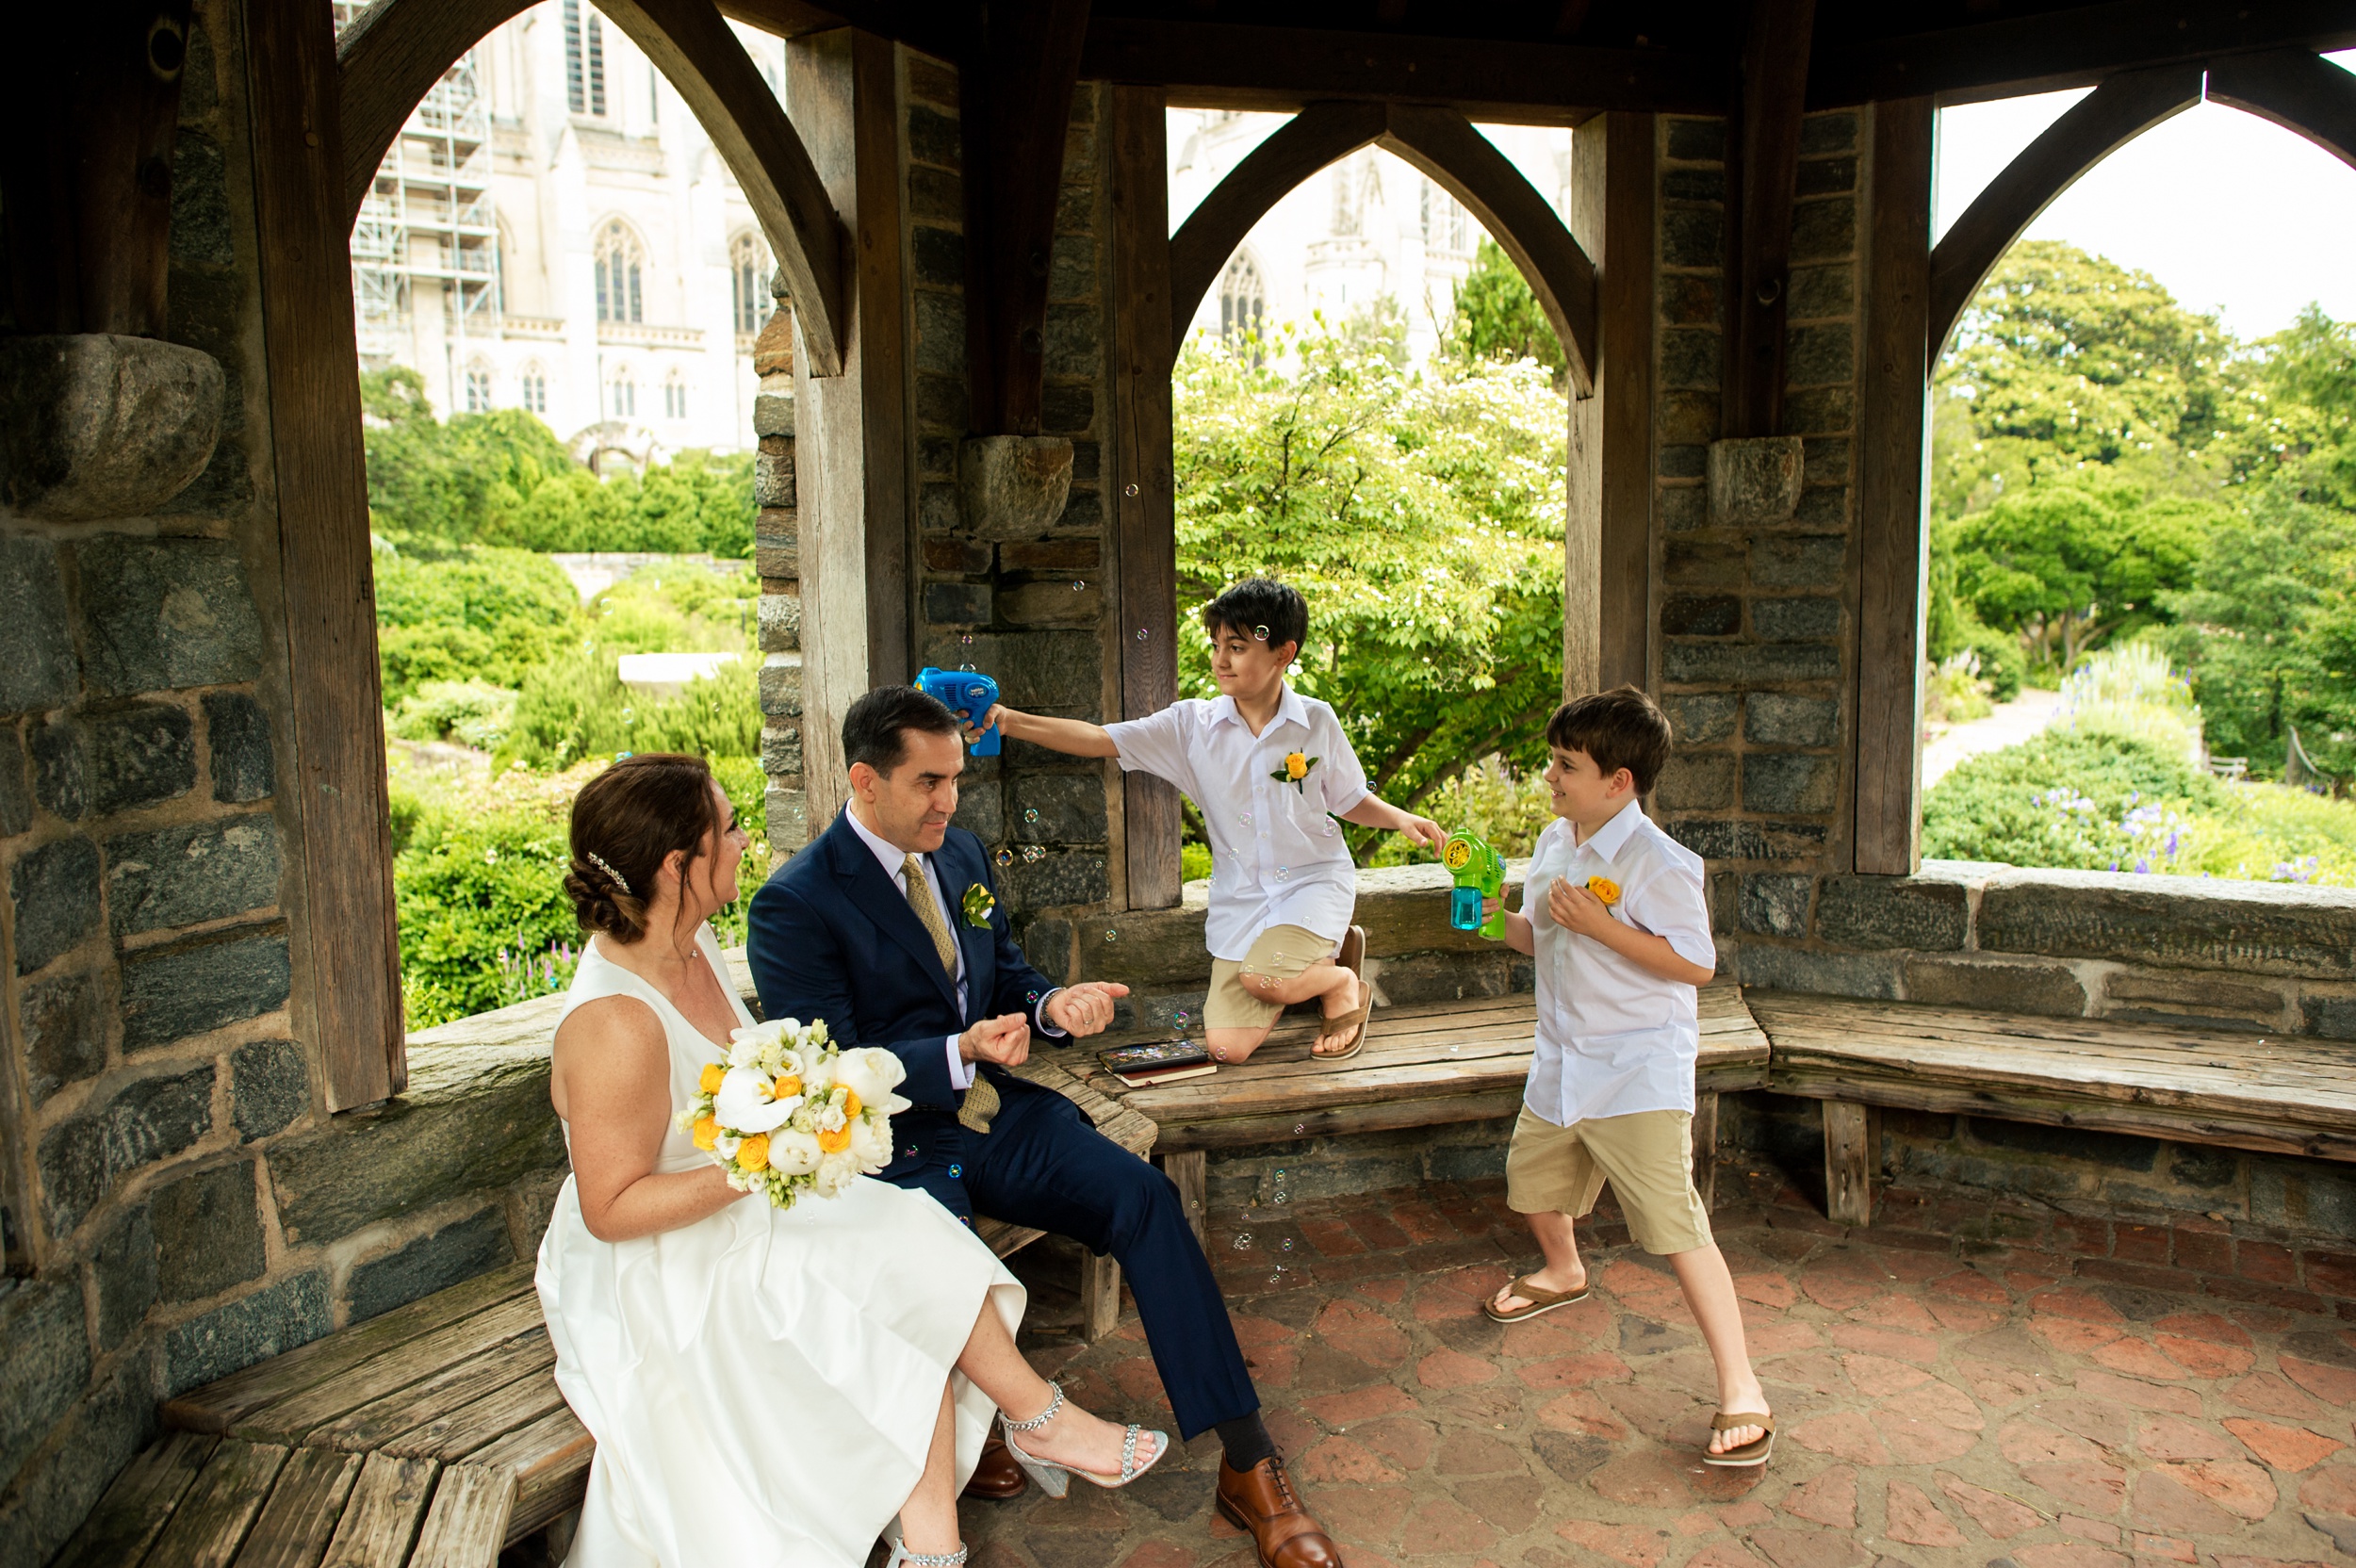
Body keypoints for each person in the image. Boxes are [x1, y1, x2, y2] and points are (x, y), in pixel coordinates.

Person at [748, 688, 1348, 1568]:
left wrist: (1052, 1005)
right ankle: (991, 1431)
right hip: (892, 1148)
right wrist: (956, 1049)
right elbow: (831, 1067)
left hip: (998, 1115)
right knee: (937, 1274)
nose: (950, 801)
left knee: (1143, 1197)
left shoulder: (958, 851)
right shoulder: (793, 903)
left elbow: (1006, 974)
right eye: (929, 782)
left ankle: (1250, 1466)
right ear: (865, 782)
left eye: (956, 778)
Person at [536, 752, 1164, 1568]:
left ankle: (941, 1538)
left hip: (738, 1196)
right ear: (675, 865)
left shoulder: (691, 952)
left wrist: (817, 1114)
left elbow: (746, 1091)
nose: (744, 840)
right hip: (660, 1256)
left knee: (905, 1238)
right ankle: (1036, 1424)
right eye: (726, 830)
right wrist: (765, 1160)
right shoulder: (614, 1021)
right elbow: (611, 1209)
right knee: (891, 1282)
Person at [1477, 688, 1775, 1467]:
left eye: (1566, 766)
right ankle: (1564, 1268)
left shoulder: (1662, 864)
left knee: (1676, 1226)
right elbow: (1543, 943)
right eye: (1554, 760)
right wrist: (1484, 917)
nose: (1550, 776)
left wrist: (1604, 926)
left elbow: (1697, 965)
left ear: (1620, 782)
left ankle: (1741, 1386)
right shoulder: (1553, 842)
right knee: (1529, 1182)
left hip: (1637, 1067)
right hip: (1562, 1057)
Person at [980, 579, 1444, 1064]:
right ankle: (1308, 964)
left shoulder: (1317, 721)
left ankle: (1340, 982)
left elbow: (1347, 798)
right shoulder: (1190, 727)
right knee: (1227, 1048)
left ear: (1284, 653)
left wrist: (1401, 818)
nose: (1220, 660)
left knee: (1264, 977)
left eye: (1238, 647)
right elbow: (1100, 738)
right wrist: (1010, 720)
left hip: (1312, 883)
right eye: (1217, 645)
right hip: (1242, 900)